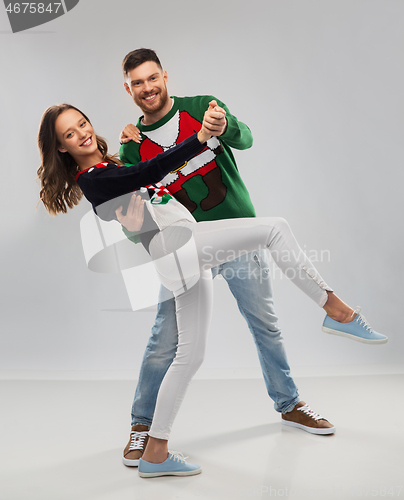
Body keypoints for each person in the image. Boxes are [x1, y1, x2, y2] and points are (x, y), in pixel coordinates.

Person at [37, 103, 387, 478]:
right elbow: (150, 171)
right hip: (179, 246)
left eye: (82, 123)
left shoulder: (108, 165)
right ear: (61, 148)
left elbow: (142, 187)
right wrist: (200, 138)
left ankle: (156, 452)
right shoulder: (92, 179)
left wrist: (130, 142)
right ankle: (337, 310)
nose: (82, 133)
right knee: (274, 228)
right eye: (70, 134)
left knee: (190, 355)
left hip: (177, 253)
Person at [117, 48, 377, 468]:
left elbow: (246, 139)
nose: (147, 88)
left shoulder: (203, 109)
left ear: (166, 76)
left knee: (265, 325)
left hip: (238, 237)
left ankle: (289, 403)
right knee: (164, 341)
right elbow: (137, 221)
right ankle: (142, 427)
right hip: (185, 251)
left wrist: (226, 125)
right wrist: (133, 229)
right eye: (138, 82)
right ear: (128, 88)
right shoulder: (133, 147)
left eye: (153, 78)